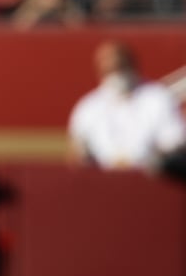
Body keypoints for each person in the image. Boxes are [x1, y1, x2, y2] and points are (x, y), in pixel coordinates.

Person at [67, 39, 186, 180]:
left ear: (132, 64)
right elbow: (77, 155)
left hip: (149, 181)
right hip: (103, 184)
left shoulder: (158, 98)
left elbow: (175, 142)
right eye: (110, 68)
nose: (116, 73)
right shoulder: (88, 107)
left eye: (120, 66)